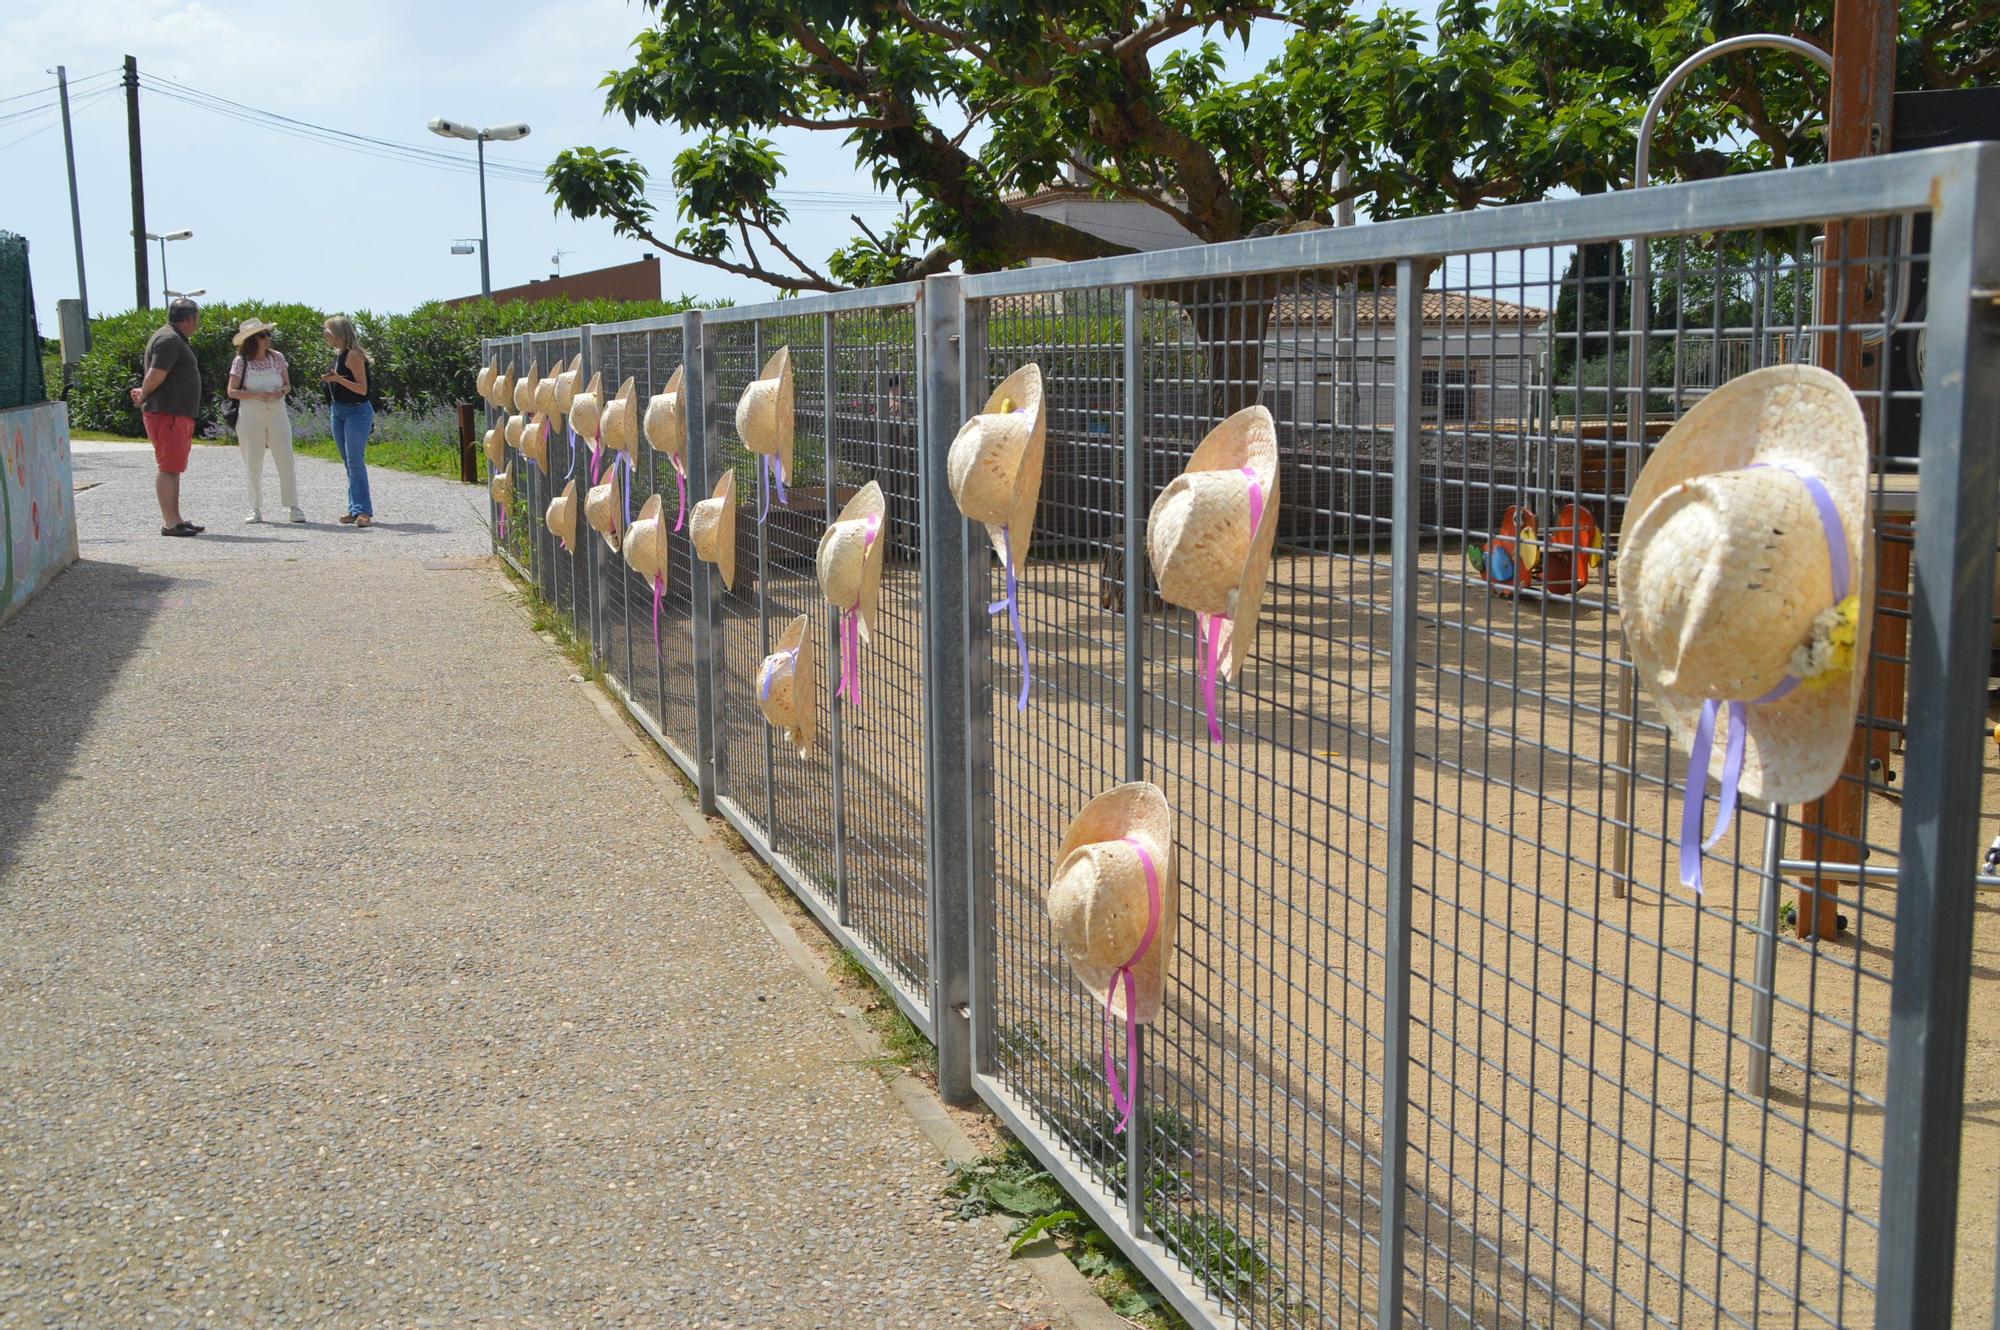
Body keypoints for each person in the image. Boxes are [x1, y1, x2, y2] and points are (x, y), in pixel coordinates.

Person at [129, 297, 205, 537]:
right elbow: (157, 373)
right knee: (168, 467)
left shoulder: (172, 338)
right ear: (190, 319)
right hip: (167, 412)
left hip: (175, 413)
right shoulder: (169, 339)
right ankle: (170, 522)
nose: (197, 324)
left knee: (174, 467)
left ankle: (177, 519)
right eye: (197, 320)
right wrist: (144, 393)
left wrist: (144, 392)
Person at [226, 318, 304, 524]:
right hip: (251, 413)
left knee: (286, 458)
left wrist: (281, 392)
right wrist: (256, 394)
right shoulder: (241, 361)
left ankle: (293, 506)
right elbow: (231, 391)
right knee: (253, 461)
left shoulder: (277, 357)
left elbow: (287, 385)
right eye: (262, 335)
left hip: (277, 411)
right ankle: (255, 508)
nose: (267, 339)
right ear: (252, 340)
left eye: (268, 334)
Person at [321, 315, 374, 528]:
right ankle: (354, 508)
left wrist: (338, 379)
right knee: (347, 462)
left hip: (357, 412)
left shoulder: (353, 355)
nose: (325, 335)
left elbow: (362, 389)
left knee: (355, 461)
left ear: (338, 333)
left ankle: (363, 511)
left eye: (327, 331)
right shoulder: (339, 355)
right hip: (339, 411)